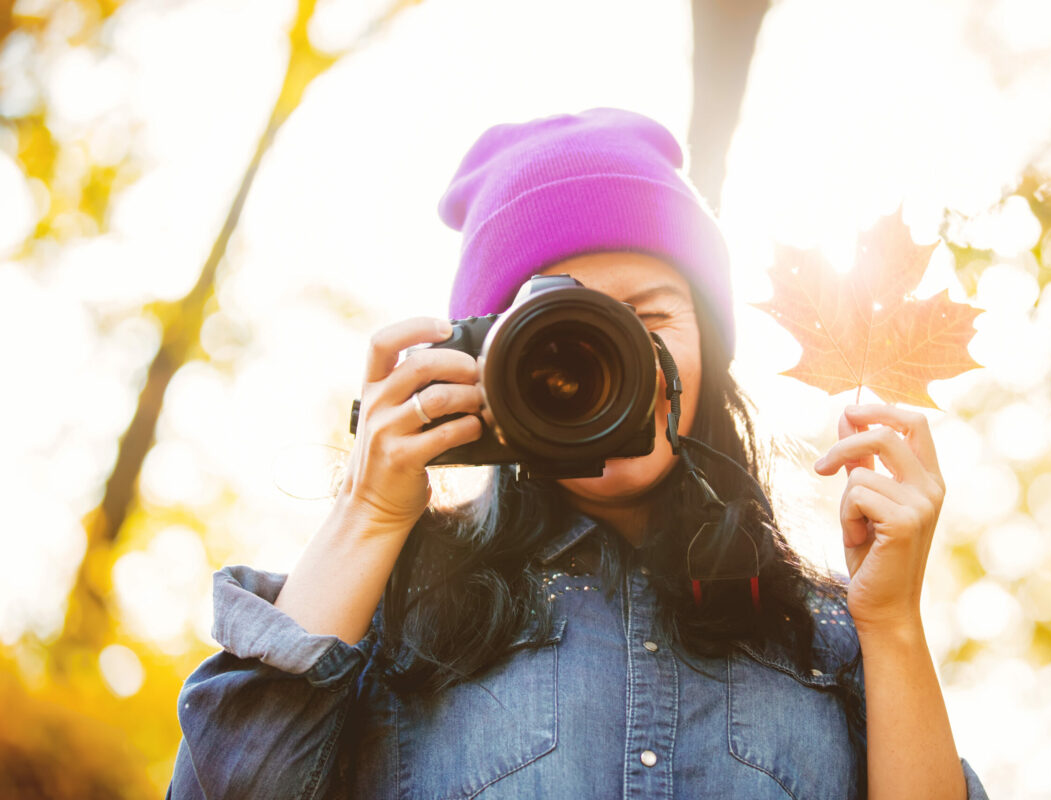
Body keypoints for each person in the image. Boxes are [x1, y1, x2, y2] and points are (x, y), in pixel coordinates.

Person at [166, 107, 990, 799]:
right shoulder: (394, 613)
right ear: (483, 373)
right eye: (564, 337)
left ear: (712, 346)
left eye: (649, 318)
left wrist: (891, 626)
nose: (612, 359)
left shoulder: (828, 635)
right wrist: (368, 513)